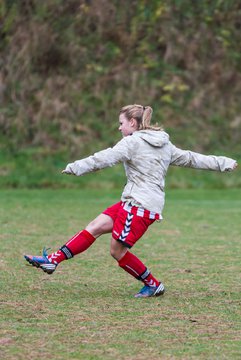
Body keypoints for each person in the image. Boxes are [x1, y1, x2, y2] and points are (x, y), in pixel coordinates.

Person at [24, 104, 238, 298]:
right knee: (95, 226)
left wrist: (76, 167)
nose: (119, 128)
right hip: (133, 201)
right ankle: (54, 260)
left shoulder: (132, 142)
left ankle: (153, 285)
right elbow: (193, 158)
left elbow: (105, 157)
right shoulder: (164, 144)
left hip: (140, 206)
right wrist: (223, 162)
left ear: (133, 123)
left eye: (121, 123)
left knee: (117, 251)